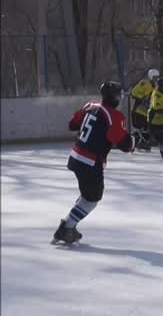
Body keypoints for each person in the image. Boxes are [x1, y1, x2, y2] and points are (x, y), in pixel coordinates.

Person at [53, 82, 138, 245]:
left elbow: (72, 125)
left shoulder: (90, 106)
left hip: (75, 157)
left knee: (87, 195)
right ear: (116, 97)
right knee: (92, 199)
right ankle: (66, 228)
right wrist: (134, 141)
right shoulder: (114, 115)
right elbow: (125, 144)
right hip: (90, 162)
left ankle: (69, 225)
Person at [129, 68, 159, 151]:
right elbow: (133, 92)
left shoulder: (154, 87)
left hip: (146, 112)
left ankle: (141, 144)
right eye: (155, 77)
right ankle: (131, 144)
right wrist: (142, 97)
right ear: (151, 76)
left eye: (157, 77)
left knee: (146, 130)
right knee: (139, 129)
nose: (156, 79)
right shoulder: (145, 83)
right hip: (138, 110)